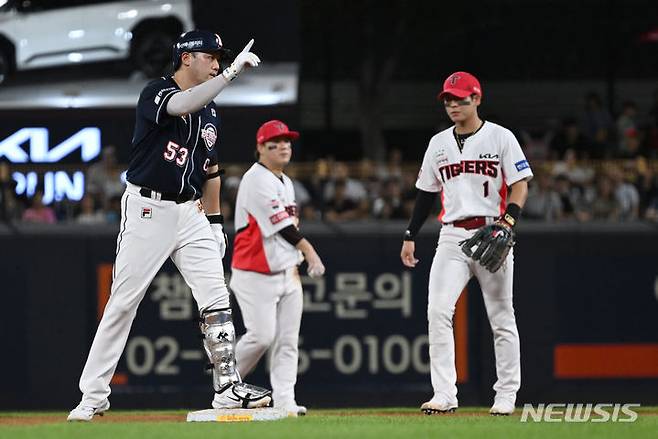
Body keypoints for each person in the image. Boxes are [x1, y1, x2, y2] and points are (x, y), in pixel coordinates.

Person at [67, 30, 270, 422]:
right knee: (124, 302)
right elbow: (180, 106)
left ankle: (227, 388)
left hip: (190, 212)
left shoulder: (211, 112)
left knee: (216, 296)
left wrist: (214, 223)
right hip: (148, 209)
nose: (216, 61)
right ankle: (92, 395)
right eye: (209, 55)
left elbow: (210, 171)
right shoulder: (156, 91)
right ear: (186, 58)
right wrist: (227, 76)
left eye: (219, 57)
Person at [400, 72, 533, 416]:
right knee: (437, 311)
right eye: (448, 99)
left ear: (477, 98)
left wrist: (509, 222)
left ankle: (505, 394)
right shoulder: (438, 143)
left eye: (460, 98)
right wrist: (411, 234)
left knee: (501, 316)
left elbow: (520, 185)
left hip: (492, 231)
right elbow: (427, 193)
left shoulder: (500, 137)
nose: (453, 105)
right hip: (452, 236)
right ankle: (444, 393)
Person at [231, 120, 325, 416]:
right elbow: (283, 227)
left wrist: (295, 262)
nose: (284, 146)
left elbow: (288, 228)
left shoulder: (285, 181)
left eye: (287, 141)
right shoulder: (256, 179)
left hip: (286, 273)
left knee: (287, 342)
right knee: (261, 336)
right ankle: (226, 385)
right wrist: (308, 251)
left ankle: (285, 401)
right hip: (254, 273)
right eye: (275, 142)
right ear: (260, 148)